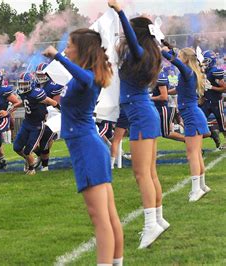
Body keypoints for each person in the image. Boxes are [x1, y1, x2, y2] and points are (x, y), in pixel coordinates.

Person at [42, 28, 123, 266]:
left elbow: (86, 80)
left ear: (82, 49)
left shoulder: (89, 75)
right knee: (108, 216)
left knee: (101, 219)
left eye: (69, 44)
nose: (66, 48)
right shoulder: (87, 74)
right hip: (89, 146)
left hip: (86, 148)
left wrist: (58, 57)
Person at [109, 0, 168, 249]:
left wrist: (120, 11)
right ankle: (158, 218)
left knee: (142, 173)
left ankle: (150, 224)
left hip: (141, 115)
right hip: (143, 113)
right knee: (150, 172)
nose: (124, 36)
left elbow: (131, 40)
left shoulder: (140, 52)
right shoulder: (146, 54)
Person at [161, 47, 211, 201]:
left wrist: (164, 51)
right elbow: (180, 90)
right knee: (195, 153)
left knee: (192, 154)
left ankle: (196, 189)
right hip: (193, 113)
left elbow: (174, 61)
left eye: (181, 55)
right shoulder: (190, 73)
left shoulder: (187, 71)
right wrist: (168, 92)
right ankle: (202, 186)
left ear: (185, 58)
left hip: (191, 114)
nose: (179, 57)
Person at [12, 72, 59, 175]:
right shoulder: (24, 93)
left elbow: (52, 101)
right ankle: (32, 159)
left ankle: (31, 167)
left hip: (37, 124)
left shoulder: (37, 93)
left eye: (25, 84)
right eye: (21, 84)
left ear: (31, 83)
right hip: (26, 123)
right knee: (16, 147)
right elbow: (25, 101)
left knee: (29, 150)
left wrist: (61, 109)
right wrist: (14, 106)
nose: (22, 86)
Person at [33, 63, 64, 171]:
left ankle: (44, 164)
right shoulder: (34, 85)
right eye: (38, 75)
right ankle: (41, 157)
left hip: (52, 113)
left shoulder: (54, 85)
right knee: (32, 139)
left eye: (42, 75)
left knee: (46, 138)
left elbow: (57, 104)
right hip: (39, 113)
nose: (40, 77)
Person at [200, 50, 226, 149]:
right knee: (200, 121)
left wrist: (211, 87)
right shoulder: (204, 71)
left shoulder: (215, 71)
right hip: (206, 101)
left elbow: (224, 88)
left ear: (211, 60)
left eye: (206, 61)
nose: (204, 63)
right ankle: (212, 133)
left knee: (222, 125)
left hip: (216, 102)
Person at [151, 69, 185, 142]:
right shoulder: (158, 75)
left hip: (162, 108)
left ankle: (189, 141)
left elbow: (164, 96)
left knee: (166, 133)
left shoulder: (160, 77)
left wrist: (149, 98)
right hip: (156, 107)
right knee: (151, 131)